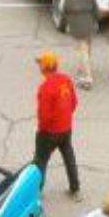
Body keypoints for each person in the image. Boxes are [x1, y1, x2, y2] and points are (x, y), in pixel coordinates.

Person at [33, 51, 82, 201]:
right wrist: (65, 119)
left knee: (40, 161)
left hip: (49, 132)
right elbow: (74, 103)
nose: (39, 66)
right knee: (69, 157)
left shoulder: (45, 88)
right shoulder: (66, 80)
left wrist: (41, 130)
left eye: (40, 63)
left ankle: (36, 192)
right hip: (66, 129)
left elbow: (44, 115)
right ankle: (75, 190)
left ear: (45, 67)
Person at [61, 0, 100, 89]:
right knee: (87, 48)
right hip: (89, 24)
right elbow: (96, 9)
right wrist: (96, 21)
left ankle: (87, 78)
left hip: (75, 25)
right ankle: (83, 70)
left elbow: (63, 8)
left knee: (80, 51)